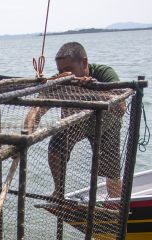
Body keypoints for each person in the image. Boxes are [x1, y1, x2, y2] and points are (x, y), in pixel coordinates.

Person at [24, 42, 123, 199]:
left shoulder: (104, 73)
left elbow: (121, 108)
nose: (65, 75)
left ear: (84, 63)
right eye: (60, 71)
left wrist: (93, 87)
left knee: (111, 171)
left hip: (107, 123)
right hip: (76, 123)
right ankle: (59, 191)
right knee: (55, 148)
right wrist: (26, 135)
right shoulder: (60, 81)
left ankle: (116, 203)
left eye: (68, 70)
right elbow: (36, 110)